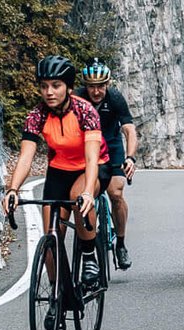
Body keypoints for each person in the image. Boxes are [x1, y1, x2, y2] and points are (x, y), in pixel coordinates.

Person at [0, 55, 108, 330]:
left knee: (77, 196)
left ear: (68, 87)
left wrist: (88, 193)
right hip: (59, 170)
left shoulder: (85, 112)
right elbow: (25, 157)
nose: (49, 92)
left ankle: (89, 255)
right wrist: (13, 189)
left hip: (91, 167)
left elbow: (93, 158)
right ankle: (57, 294)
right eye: (44, 86)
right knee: (50, 234)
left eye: (56, 85)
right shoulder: (37, 116)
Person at [75, 59, 139, 270]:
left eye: (101, 86)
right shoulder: (77, 98)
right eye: (92, 86)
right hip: (85, 148)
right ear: (85, 85)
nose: (96, 91)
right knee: (84, 194)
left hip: (111, 148)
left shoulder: (115, 99)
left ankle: (120, 244)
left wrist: (130, 157)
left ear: (107, 84)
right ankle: (88, 245)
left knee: (116, 194)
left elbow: (129, 129)